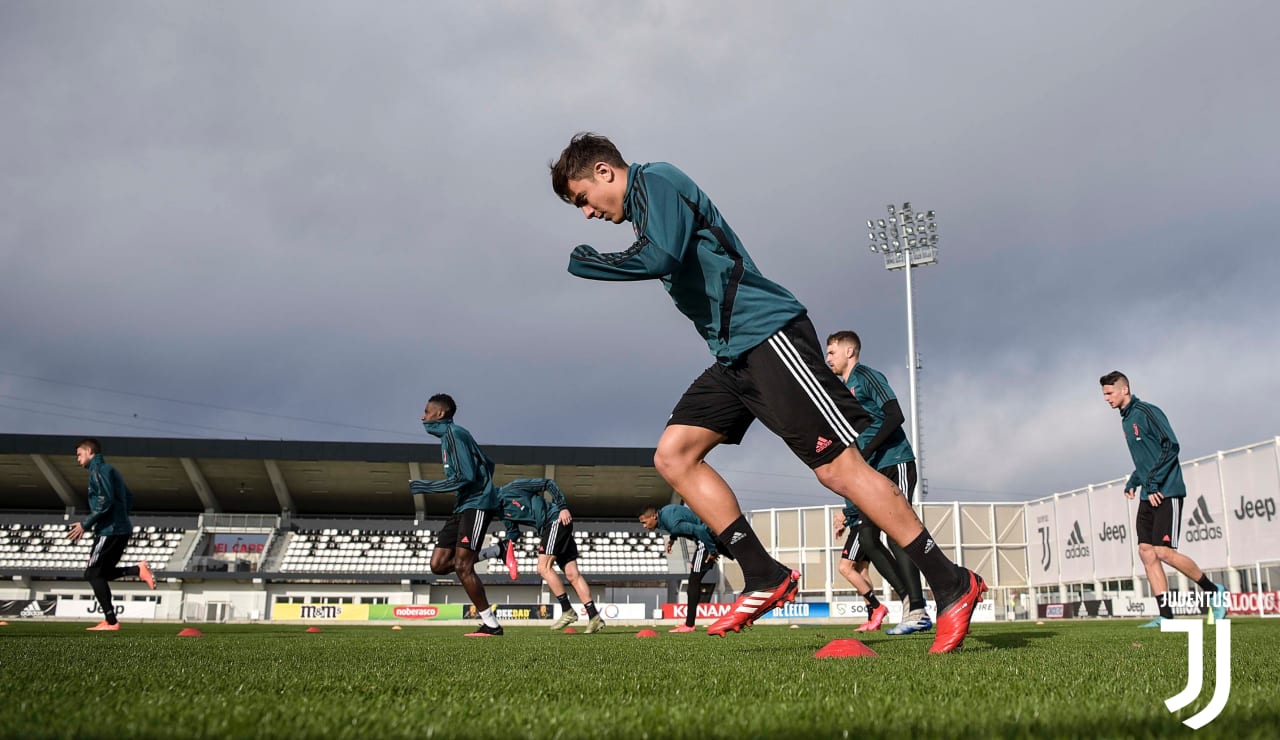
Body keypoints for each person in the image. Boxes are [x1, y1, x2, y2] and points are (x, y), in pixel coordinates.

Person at [551, 133, 983, 651]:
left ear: (603, 172)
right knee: (674, 456)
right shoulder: (645, 209)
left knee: (839, 470)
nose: (586, 213)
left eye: (581, 199)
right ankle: (762, 574)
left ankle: (952, 582)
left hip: (769, 335)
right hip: (735, 356)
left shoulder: (656, 180)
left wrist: (591, 261)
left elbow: (661, 257)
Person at [1100, 372, 1228, 627]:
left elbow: (1171, 446)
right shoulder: (1126, 421)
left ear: (1124, 390)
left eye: (1109, 393)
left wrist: (1155, 481)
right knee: (1146, 552)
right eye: (1104, 394)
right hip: (1149, 491)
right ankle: (1166, 616)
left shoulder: (1147, 412)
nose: (1106, 399)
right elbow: (1146, 458)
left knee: (1163, 552)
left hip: (1166, 491)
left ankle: (1214, 591)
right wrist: (1134, 482)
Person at [826, 331, 932, 635]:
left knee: (900, 533)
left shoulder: (867, 376)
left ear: (850, 351)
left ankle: (919, 608)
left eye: (832, 352)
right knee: (869, 540)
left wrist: (867, 450)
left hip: (895, 463)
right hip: (871, 471)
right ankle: (910, 603)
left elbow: (894, 415)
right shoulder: (842, 390)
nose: (828, 358)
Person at [409, 394, 503, 636]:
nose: (423, 416)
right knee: (438, 565)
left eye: (427, 411)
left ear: (440, 414)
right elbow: (488, 463)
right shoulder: (450, 437)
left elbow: (466, 477)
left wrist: (426, 487)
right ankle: (496, 551)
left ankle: (491, 625)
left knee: (463, 566)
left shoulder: (455, 434)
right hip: (463, 505)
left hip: (477, 505)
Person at [478, 478, 606, 634]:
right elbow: (513, 533)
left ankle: (567, 611)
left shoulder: (513, 487)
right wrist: (499, 549)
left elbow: (547, 483)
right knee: (572, 574)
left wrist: (563, 507)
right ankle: (594, 617)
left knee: (543, 567)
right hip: (551, 527)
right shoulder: (501, 511)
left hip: (555, 520)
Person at [65, 438, 155, 631]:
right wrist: (120, 517)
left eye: (79, 455)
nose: (78, 459)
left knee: (92, 573)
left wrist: (85, 524)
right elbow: (129, 498)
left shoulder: (98, 472)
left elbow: (104, 501)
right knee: (101, 573)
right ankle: (136, 570)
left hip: (109, 530)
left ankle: (111, 621)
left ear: (90, 452)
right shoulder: (112, 471)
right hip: (119, 529)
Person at [640, 504, 734, 633]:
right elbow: (680, 522)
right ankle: (768, 571)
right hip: (714, 533)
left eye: (645, 522)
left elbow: (699, 530)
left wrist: (712, 551)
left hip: (706, 538)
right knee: (741, 555)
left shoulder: (671, 523)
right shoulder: (666, 512)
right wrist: (673, 539)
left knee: (693, 582)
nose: (644, 526)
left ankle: (689, 625)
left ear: (653, 516)